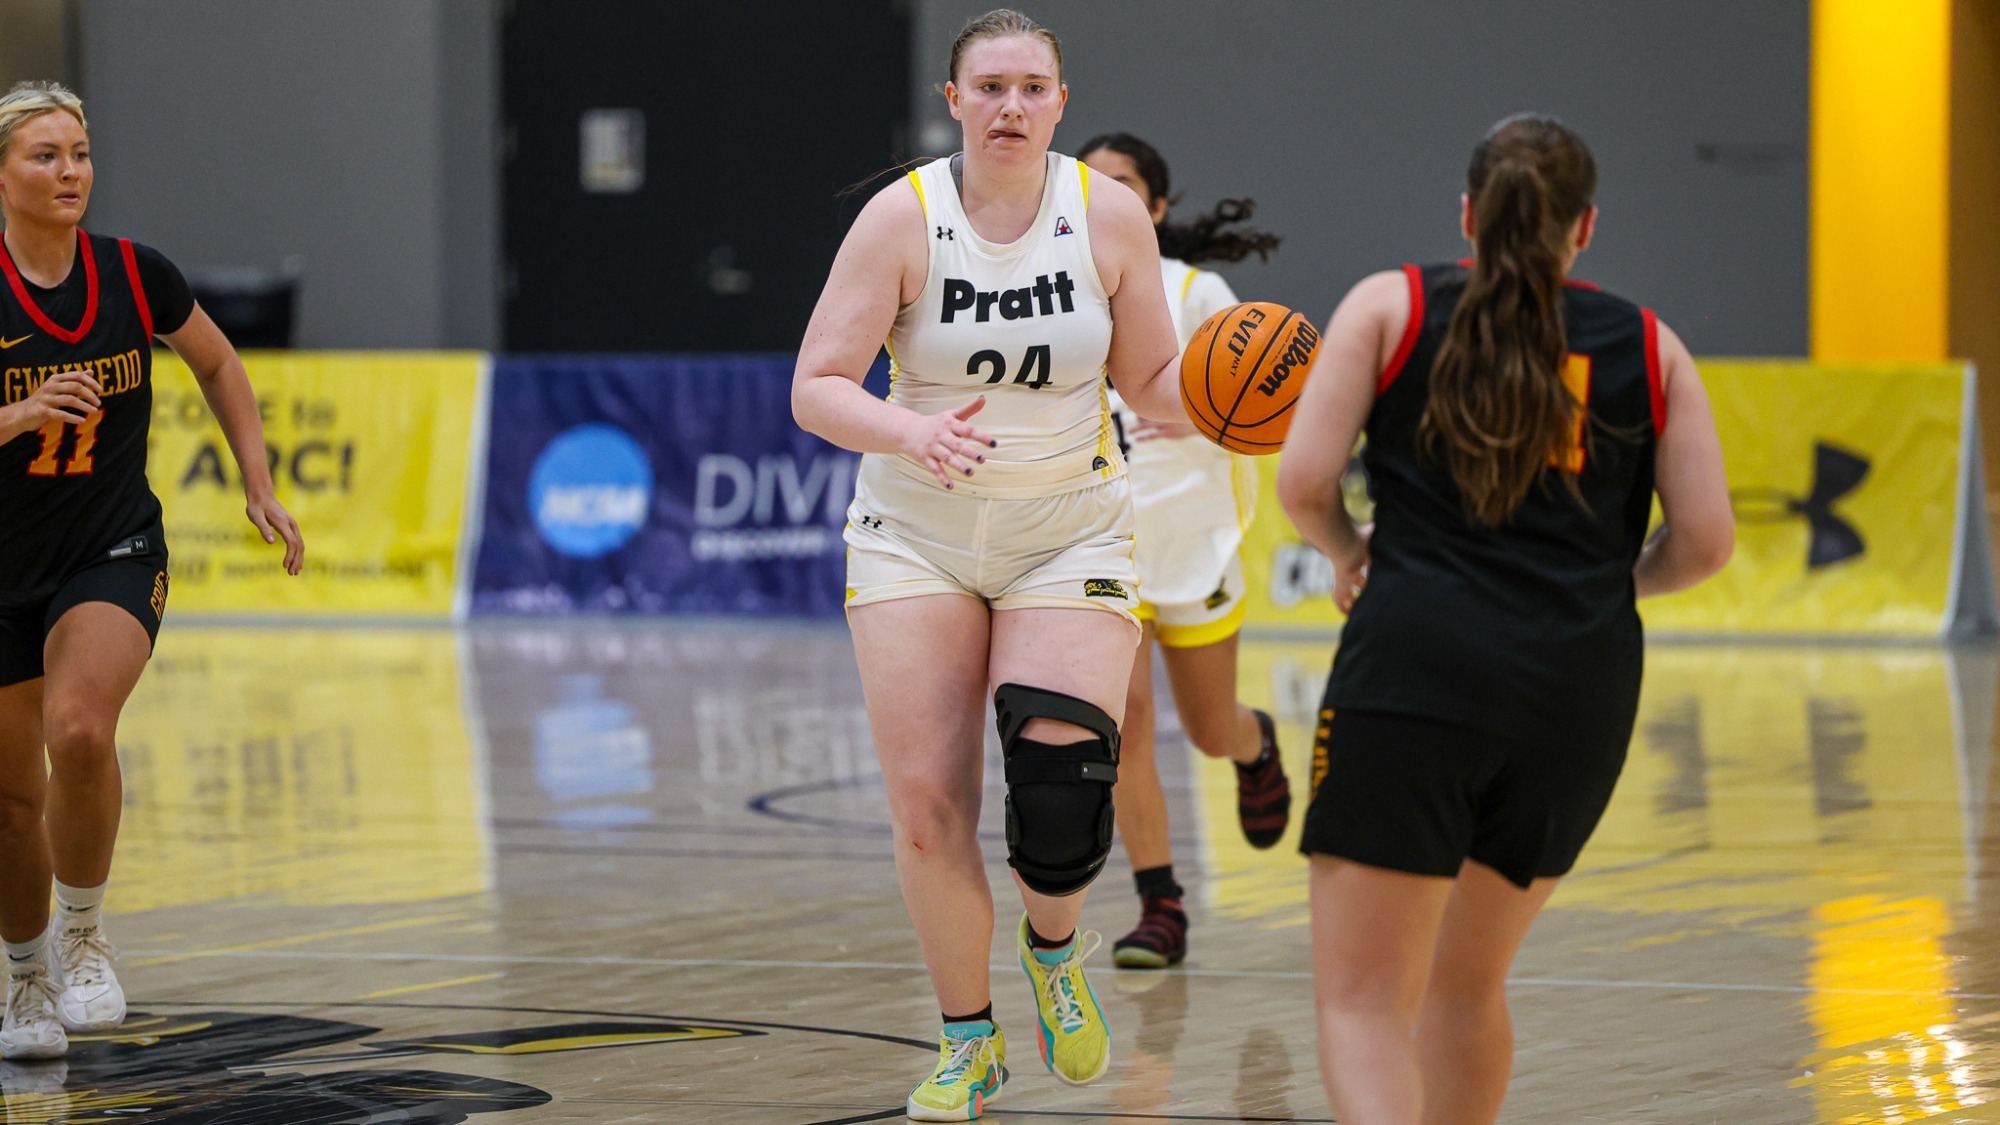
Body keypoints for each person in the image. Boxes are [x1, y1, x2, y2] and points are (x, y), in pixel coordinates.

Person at [1275, 113, 1733, 1124]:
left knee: (1361, 1007)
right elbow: (1703, 543)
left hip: (1415, 669)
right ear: (1585, 228)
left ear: (1468, 215)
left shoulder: (1390, 306)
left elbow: (1304, 481)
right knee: (1463, 987)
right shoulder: (1652, 347)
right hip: (1575, 693)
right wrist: (1602, 593)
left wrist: (1351, 552)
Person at [792, 10, 1187, 1120]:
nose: (1010, 104)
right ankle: (967, 1039)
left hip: (1069, 528)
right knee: (926, 803)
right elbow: (816, 384)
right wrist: (907, 430)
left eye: (1032, 87)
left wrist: (1224, 403)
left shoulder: (1105, 216)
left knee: (1061, 798)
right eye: (990, 86)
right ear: (953, 99)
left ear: (1060, 102)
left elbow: (1154, 379)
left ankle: (1053, 950)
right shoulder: (900, 218)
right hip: (916, 531)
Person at [0, 82, 304, 1061]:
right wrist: (18, 413)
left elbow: (216, 364)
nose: (69, 171)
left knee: (80, 728)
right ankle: (24, 978)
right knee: (11, 802)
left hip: (110, 545)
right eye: (45, 155)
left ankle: (85, 939)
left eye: (79, 152)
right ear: (3, 173)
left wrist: (255, 479)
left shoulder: (136, 274)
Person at [1076, 133, 1291, 971]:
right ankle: (1159, 903)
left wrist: (1197, 409)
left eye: (1123, 187)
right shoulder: (1053, 299)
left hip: (1193, 540)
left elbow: (1265, 409)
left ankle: (1255, 744)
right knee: (1122, 732)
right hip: (1096, 544)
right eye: (1089, 187)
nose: (1104, 200)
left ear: (1156, 208)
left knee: (1207, 731)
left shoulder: (1200, 292)